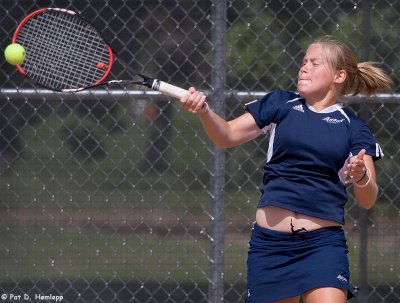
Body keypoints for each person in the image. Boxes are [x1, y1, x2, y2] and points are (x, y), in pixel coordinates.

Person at [179, 36, 393, 303]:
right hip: (270, 246)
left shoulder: (353, 126)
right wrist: (204, 111)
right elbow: (227, 135)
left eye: (315, 63)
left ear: (339, 76)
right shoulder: (281, 104)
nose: (304, 68)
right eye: (304, 62)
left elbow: (368, 198)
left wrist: (361, 176)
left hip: (322, 246)